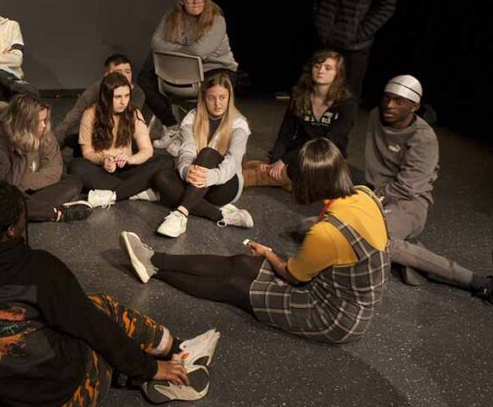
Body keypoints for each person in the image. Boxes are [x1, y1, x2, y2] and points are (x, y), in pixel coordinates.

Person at [0, 180, 218, 407]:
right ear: (10, 231)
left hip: (9, 404)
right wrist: (151, 369)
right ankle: (174, 354)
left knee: (78, 312)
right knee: (104, 309)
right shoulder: (37, 270)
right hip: (61, 404)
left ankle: (149, 364)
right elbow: (96, 329)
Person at [122, 138, 389, 344]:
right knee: (241, 263)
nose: (294, 188)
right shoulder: (363, 194)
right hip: (330, 284)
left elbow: (294, 276)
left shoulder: (327, 232)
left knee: (235, 286)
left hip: (335, 314)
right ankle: (155, 257)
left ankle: (156, 271)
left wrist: (268, 252)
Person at [364, 75, 493, 297]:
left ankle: (475, 281)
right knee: (335, 228)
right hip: (376, 195)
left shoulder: (423, 138)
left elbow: (408, 187)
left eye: (399, 101)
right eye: (387, 98)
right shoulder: (374, 116)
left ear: (414, 106)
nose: (389, 105)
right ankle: (413, 257)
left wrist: (371, 200)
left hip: (409, 203)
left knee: (376, 240)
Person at [152, 72, 254, 238]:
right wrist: (186, 170)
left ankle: (181, 214)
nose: (217, 104)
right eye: (211, 98)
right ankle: (222, 216)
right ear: (203, 98)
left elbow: (233, 162)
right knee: (161, 177)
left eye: (222, 97)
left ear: (230, 97)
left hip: (225, 184)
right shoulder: (191, 118)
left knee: (208, 153)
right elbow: (187, 150)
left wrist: (210, 177)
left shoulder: (239, 123)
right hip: (196, 180)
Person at [137, 0, 239, 137]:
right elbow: (155, 42)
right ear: (182, 1)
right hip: (180, 70)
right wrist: (184, 50)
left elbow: (200, 51)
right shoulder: (171, 16)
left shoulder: (217, 19)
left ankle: (206, 135)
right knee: (144, 79)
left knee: (219, 84)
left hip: (215, 69)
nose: (196, 2)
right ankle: (172, 126)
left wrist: (173, 49)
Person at [243, 49, 356, 191]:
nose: (321, 71)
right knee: (292, 178)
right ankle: (247, 179)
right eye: (317, 66)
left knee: (303, 182)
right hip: (299, 152)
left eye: (328, 68)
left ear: (337, 74)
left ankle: (258, 174)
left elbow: (326, 142)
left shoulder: (347, 103)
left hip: (326, 156)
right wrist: (275, 161)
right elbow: (285, 133)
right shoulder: (300, 96)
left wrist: (284, 160)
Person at [0, 95, 92, 223]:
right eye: (40, 121)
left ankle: (30, 208)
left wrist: (26, 182)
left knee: (73, 182)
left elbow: (54, 171)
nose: (44, 125)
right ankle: (55, 213)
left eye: (45, 119)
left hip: (29, 187)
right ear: (25, 123)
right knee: (7, 202)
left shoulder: (44, 132)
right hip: (0, 192)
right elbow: (8, 183)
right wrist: (23, 146)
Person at [67, 72, 171, 206]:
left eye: (127, 96)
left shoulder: (133, 113)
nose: (123, 101)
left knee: (165, 161)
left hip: (127, 168)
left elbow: (147, 150)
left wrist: (131, 159)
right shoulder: (91, 113)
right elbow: (87, 152)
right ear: (106, 96)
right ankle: (136, 192)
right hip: (102, 170)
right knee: (76, 166)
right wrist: (103, 160)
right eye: (118, 97)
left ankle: (114, 195)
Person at [53, 53, 146, 156]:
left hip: (122, 140)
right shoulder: (96, 89)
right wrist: (55, 141)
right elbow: (75, 114)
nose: (124, 76)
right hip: (97, 134)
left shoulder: (138, 93)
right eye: (118, 72)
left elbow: (130, 123)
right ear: (107, 75)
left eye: (128, 72)